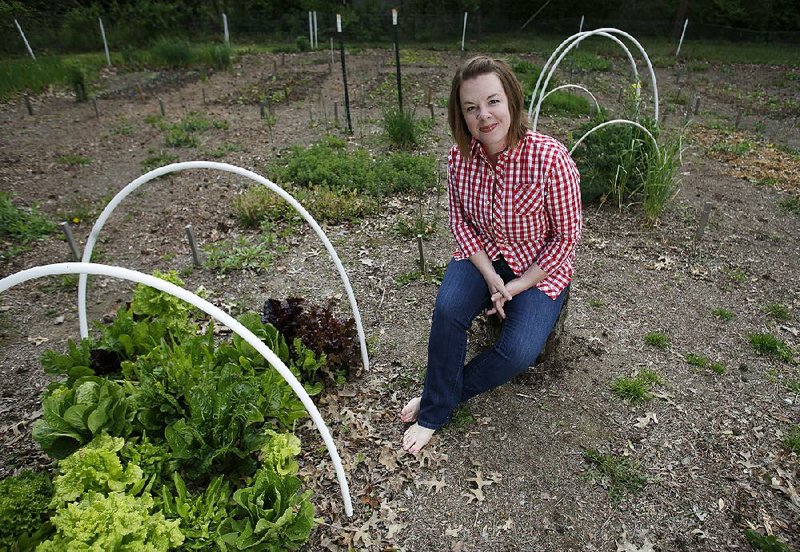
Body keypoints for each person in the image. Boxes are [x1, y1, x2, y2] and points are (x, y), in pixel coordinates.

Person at [401, 56, 582, 454]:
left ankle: (442, 395)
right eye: (471, 108)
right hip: (482, 254)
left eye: (492, 101)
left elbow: (566, 237)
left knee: (518, 352)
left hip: (538, 268)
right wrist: (490, 276)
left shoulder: (551, 159)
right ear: (461, 116)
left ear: (512, 101)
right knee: (448, 311)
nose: (484, 115)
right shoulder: (458, 158)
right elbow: (461, 223)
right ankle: (435, 409)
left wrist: (515, 286)